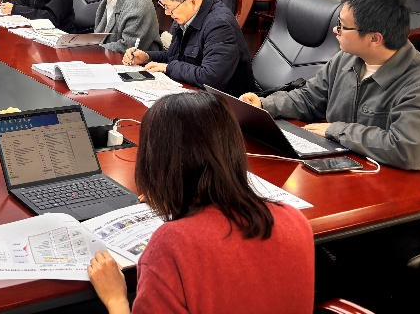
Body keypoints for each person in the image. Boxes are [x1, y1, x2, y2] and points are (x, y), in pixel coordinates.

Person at [88, 92, 314, 314]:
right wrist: (172, 196)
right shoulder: (293, 219)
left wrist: (116, 299)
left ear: (155, 163)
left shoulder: (171, 245)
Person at [241, 0, 420, 174]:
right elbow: (309, 99)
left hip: (408, 187)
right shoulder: (346, 59)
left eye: (344, 27)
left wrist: (336, 130)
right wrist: (264, 105)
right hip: (350, 166)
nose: (336, 30)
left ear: (375, 38)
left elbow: (407, 149)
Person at [122, 0, 255, 95]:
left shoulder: (220, 25)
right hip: (192, 92)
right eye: (164, 6)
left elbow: (210, 78)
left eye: (170, 7)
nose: (167, 13)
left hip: (224, 101)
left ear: (192, 1)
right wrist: (147, 57)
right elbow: (174, 56)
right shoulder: (184, 15)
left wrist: (168, 68)